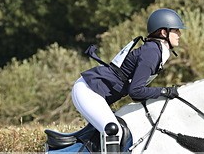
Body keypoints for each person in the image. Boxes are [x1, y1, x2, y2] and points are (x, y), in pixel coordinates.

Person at [72, 8, 185, 142]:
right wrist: (164, 91)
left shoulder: (155, 50)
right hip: (88, 91)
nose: (179, 34)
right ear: (163, 32)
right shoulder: (152, 53)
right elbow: (136, 92)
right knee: (114, 132)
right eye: (176, 30)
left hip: (93, 91)